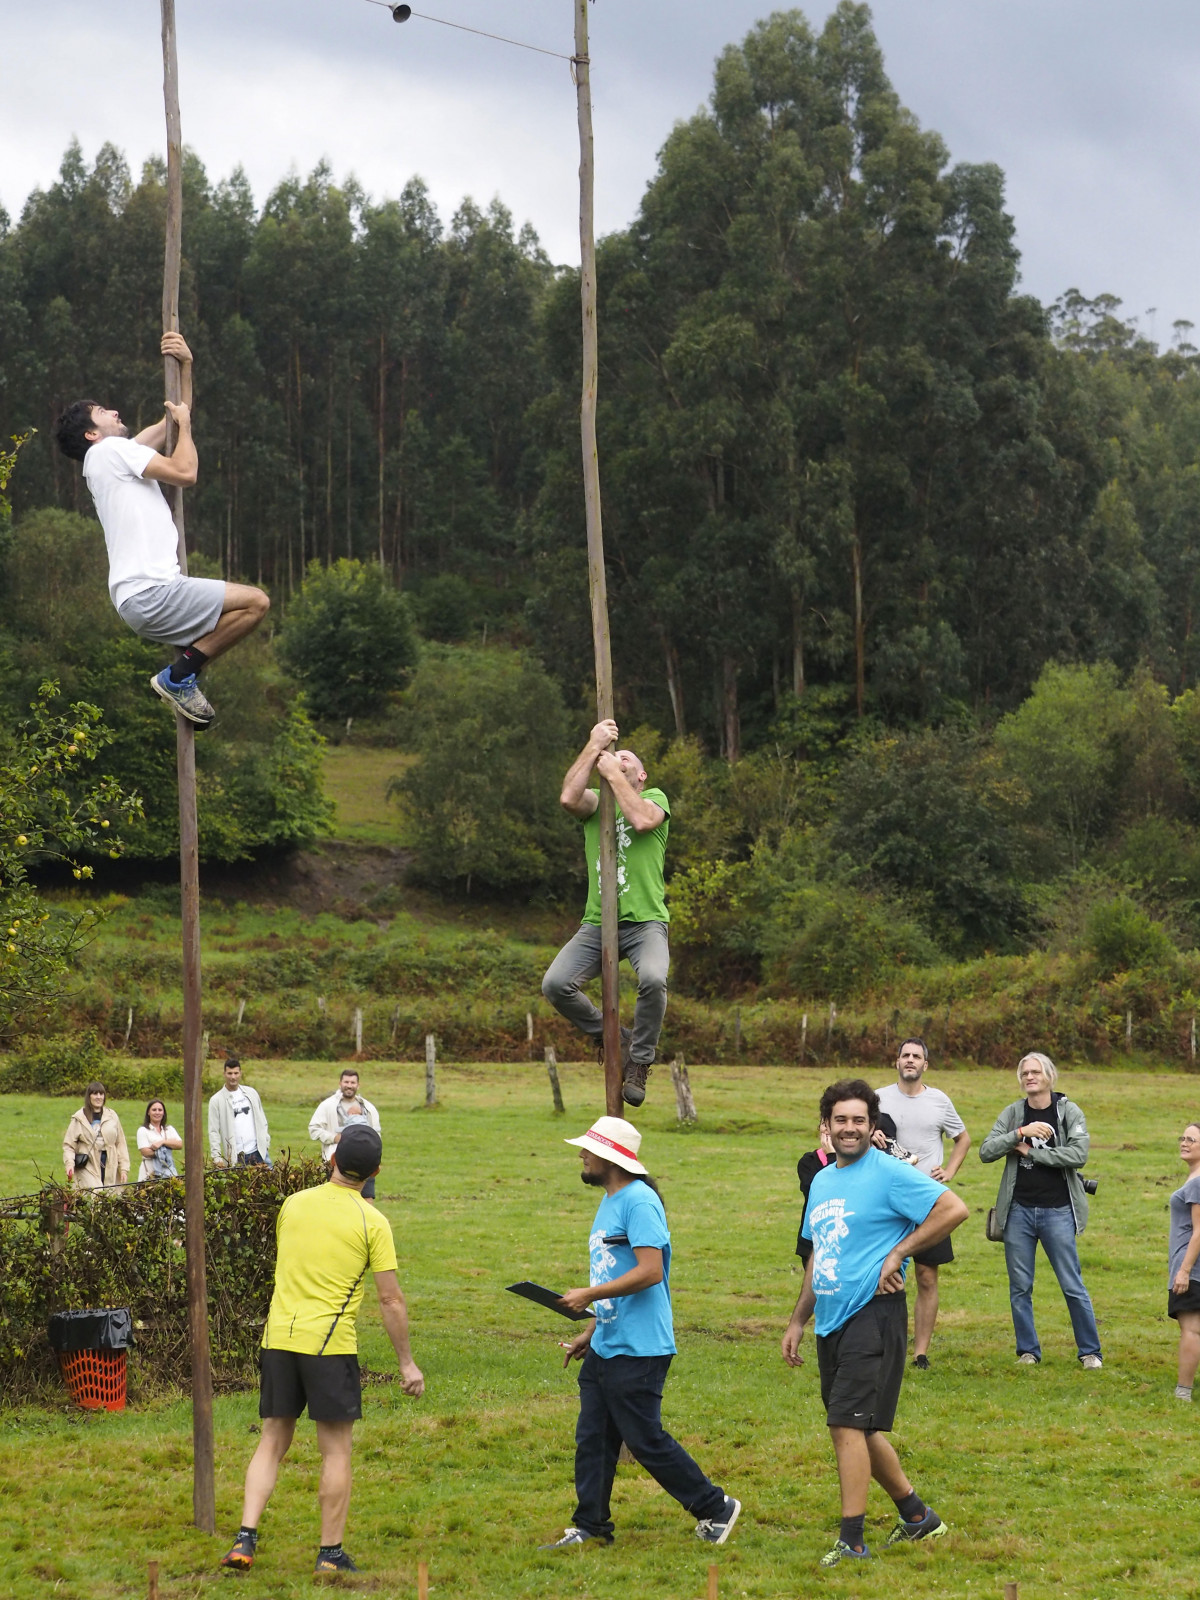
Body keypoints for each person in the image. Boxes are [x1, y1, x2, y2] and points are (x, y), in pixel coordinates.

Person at [219, 1124, 424, 1577]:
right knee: (335, 1451)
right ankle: (329, 1553)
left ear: (332, 1159)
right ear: (376, 1171)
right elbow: (390, 1299)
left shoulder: (293, 1205)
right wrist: (406, 1363)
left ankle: (245, 1537)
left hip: (279, 1338)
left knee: (272, 1438)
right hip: (329, 1347)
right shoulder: (374, 1223)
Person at [781, 1079, 967, 1567]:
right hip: (832, 1320)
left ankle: (853, 1541)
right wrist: (799, 1320)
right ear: (826, 1126)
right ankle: (917, 1516)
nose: (849, 1128)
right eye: (840, 1120)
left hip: (874, 1314)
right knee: (859, 1429)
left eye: (859, 1120)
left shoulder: (888, 1173)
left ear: (872, 1125)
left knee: (845, 1423)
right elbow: (818, 1255)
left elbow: (953, 1208)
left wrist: (898, 1253)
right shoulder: (821, 1181)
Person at [540, 1115, 740, 1551]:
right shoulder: (610, 1201)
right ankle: (590, 1525)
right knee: (593, 1438)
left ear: (611, 1157)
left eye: (588, 1150)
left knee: (645, 1439)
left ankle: (715, 1507)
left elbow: (650, 1272)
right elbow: (617, 1271)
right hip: (608, 1344)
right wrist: (591, 1329)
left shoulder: (639, 1203)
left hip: (641, 1347)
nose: (581, 1156)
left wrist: (588, 1293)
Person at [51, 332, 269, 728]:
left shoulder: (112, 457)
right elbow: (185, 472)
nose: (114, 411)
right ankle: (179, 677)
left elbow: (172, 419)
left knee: (246, 605)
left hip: (141, 597)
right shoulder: (109, 452)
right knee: (256, 603)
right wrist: (184, 430)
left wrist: (185, 366)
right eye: (102, 411)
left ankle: (185, 670)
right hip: (151, 591)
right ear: (91, 434)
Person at [542, 720, 671, 1107]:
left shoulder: (655, 798)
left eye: (627, 759)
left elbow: (642, 820)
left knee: (652, 978)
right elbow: (568, 797)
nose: (618, 759)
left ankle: (640, 1061)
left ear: (641, 775)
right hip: (598, 924)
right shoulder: (595, 805)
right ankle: (615, 1035)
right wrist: (592, 744)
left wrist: (613, 771)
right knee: (556, 984)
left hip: (645, 921)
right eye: (614, 757)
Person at [979, 1051, 1102, 1368]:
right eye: (1024, 1073)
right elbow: (986, 1151)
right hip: (1018, 1211)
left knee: (1072, 1285)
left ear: (1049, 1076)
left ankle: (1090, 1352)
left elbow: (1079, 1155)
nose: (1029, 1077)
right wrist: (1020, 1133)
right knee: (1020, 1288)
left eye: (1035, 1072)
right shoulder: (1013, 1113)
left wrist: (1033, 1154)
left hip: (1058, 1210)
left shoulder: (1068, 1112)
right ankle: (1028, 1352)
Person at [874, 1038, 971, 1369]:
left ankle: (920, 1353)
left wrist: (951, 1170)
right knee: (882, 1272)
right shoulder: (877, 1098)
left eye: (917, 1056)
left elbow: (963, 1138)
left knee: (927, 1277)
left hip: (929, 1199)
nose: (910, 1060)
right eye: (905, 1055)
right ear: (896, 1061)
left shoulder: (939, 1100)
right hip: (887, 1197)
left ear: (925, 1065)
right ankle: (882, 1345)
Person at [309, 1071, 382, 1199]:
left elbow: (376, 1134)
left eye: (352, 1082)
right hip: (335, 1160)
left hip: (364, 1160)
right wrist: (335, 1138)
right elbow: (314, 1129)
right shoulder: (328, 1105)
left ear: (358, 1085)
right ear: (340, 1084)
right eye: (346, 1082)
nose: (349, 1085)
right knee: (335, 1198)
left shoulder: (368, 1107)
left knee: (366, 1200)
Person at [1168, 1121, 1200, 1401]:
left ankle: (1183, 1391)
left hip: (1193, 1270)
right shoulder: (1194, 1179)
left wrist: (1185, 1270)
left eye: (1192, 1139)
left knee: (1191, 1329)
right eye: (1183, 1137)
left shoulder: (1199, 1182)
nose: (1185, 1142)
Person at [62, 1082, 131, 1191]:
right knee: (95, 1193)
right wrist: (69, 1164)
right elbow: (69, 1145)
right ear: (89, 1096)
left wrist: (124, 1168)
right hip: (88, 1163)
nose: (98, 1097)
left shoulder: (112, 1116)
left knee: (109, 1195)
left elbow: (120, 1143)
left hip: (109, 1161)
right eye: (95, 1094)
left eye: (101, 1094)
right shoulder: (79, 1118)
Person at [208, 1056, 271, 1167]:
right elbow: (213, 1131)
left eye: (236, 1073)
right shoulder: (216, 1100)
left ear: (240, 1073)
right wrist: (216, 1156)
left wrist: (265, 1142)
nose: (233, 1077)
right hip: (236, 1156)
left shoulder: (251, 1093)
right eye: (230, 1073)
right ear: (224, 1074)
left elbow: (262, 1120)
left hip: (259, 1152)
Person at [795, 1121, 835, 1264]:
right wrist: (832, 1158)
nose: (829, 1129)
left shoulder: (860, 1161)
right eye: (825, 1124)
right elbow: (819, 1194)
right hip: (813, 1240)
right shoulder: (809, 1162)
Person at [136, 1098, 183, 1181]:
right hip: (149, 1171)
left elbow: (179, 1144)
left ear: (163, 1113)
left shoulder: (169, 1129)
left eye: (160, 1110)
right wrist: (166, 1150)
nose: (157, 1112)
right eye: (154, 1110)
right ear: (148, 1112)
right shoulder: (143, 1130)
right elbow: (145, 1152)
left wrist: (162, 1142)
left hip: (168, 1171)